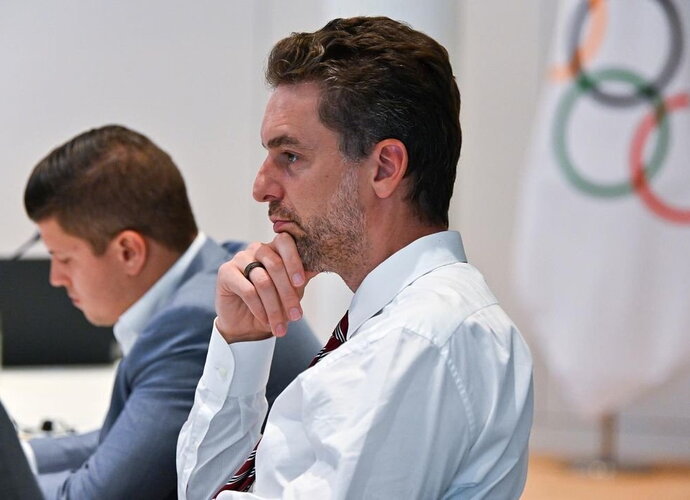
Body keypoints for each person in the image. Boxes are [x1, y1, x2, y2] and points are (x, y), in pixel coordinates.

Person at [177, 16, 533, 499]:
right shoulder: (398, 326)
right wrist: (243, 340)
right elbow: (203, 490)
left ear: (384, 168)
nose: (261, 188)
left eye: (290, 157)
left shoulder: (415, 340)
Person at [21, 125, 319, 500]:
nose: (55, 278)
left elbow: (93, 496)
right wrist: (21, 455)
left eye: (63, 258)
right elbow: (125, 439)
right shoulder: (218, 262)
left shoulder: (192, 323)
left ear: (129, 251)